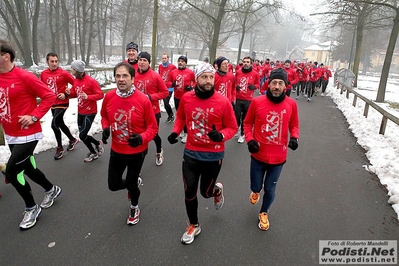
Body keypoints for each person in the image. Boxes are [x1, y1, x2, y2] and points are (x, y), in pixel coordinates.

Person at [167, 62, 238, 245]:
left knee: (205, 193)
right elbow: (181, 117)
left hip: (213, 155)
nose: (208, 80)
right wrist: (176, 132)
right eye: (204, 77)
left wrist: (221, 135)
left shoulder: (222, 101)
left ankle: (216, 190)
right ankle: (194, 224)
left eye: (211, 77)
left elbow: (232, 127)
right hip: (191, 152)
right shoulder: (187, 98)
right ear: (197, 78)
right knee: (189, 190)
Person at [0, 39, 62, 230]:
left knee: (11, 171)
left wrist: (34, 116)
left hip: (29, 134)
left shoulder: (23, 76)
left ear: (5, 56)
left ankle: (31, 207)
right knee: (27, 168)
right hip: (11, 133)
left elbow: (49, 96)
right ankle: (52, 190)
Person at [101, 62, 158, 225]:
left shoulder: (143, 100)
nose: (121, 79)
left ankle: (134, 206)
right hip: (117, 150)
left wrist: (142, 138)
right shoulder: (110, 97)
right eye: (118, 76)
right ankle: (133, 186)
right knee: (113, 185)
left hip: (137, 151)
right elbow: (104, 116)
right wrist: (105, 128)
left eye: (125, 75)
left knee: (132, 184)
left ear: (133, 79)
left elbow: (153, 128)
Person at [243, 68, 299, 231]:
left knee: (270, 188)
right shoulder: (257, 102)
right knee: (256, 186)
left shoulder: (291, 104)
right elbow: (247, 123)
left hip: (278, 157)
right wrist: (250, 140)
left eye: (280, 83)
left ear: (285, 86)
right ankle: (255, 191)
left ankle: (264, 212)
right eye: (274, 82)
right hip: (258, 154)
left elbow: (294, 124)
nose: (277, 86)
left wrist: (294, 137)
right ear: (268, 84)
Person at [40, 53, 79, 160]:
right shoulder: (43, 74)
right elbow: (42, 88)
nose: (54, 63)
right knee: (60, 123)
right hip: (52, 103)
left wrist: (66, 94)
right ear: (47, 62)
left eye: (56, 61)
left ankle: (60, 147)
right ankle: (72, 139)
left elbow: (76, 83)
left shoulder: (63, 73)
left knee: (54, 124)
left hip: (63, 102)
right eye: (52, 61)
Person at [66, 60, 104, 162]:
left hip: (90, 112)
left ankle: (93, 153)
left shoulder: (91, 81)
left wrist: (88, 97)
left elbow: (100, 94)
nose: (71, 70)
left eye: (73, 69)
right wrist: (69, 93)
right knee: (83, 134)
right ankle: (97, 144)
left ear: (78, 70)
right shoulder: (76, 80)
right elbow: (75, 93)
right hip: (80, 111)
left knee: (82, 135)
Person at [134, 52, 169, 166]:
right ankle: (137, 161)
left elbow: (165, 92)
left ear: (149, 63)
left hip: (153, 111)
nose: (142, 62)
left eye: (145, 60)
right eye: (140, 60)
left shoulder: (155, 76)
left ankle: (159, 151)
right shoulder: (133, 75)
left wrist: (150, 97)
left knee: (153, 135)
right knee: (139, 135)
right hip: (137, 112)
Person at [167, 55, 196, 144]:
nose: (180, 62)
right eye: (179, 61)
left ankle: (187, 133)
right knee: (179, 115)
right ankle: (182, 131)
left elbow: (195, 82)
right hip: (177, 97)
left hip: (187, 97)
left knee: (186, 116)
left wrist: (191, 87)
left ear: (185, 63)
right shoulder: (173, 72)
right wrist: (172, 84)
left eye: (182, 61)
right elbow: (167, 82)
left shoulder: (190, 72)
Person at [235, 56, 260, 143]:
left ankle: (242, 134)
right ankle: (238, 129)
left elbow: (258, 84)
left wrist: (254, 87)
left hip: (248, 99)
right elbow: (234, 82)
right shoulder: (238, 72)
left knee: (245, 118)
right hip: (238, 98)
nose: (245, 63)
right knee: (237, 116)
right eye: (244, 62)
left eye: (247, 62)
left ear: (251, 63)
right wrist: (236, 87)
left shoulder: (255, 73)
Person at [158, 53, 177, 123]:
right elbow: (159, 75)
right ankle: (170, 115)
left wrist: (173, 83)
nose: (164, 59)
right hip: (163, 87)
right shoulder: (160, 66)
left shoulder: (172, 67)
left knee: (166, 102)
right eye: (163, 58)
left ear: (168, 59)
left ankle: (171, 115)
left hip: (169, 88)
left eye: (165, 58)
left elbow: (176, 75)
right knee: (165, 103)